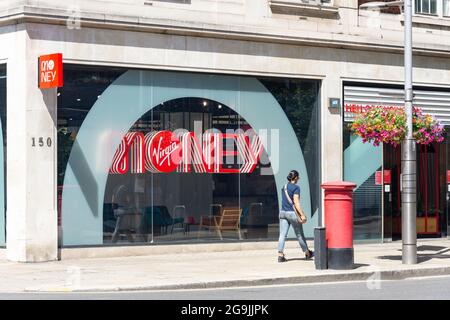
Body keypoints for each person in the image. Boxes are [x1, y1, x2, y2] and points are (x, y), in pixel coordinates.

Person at [277, 170, 314, 262]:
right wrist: (302, 215)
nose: (299, 179)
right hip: (292, 214)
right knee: (299, 235)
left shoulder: (284, 187)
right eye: (298, 177)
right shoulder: (296, 188)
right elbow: (296, 203)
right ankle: (307, 253)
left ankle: (280, 255)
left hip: (283, 213)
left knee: (282, 235)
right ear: (296, 177)